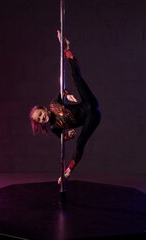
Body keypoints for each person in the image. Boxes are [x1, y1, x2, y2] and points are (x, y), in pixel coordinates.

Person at [30, 30, 101, 184]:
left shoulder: (54, 104)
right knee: (80, 143)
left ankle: (67, 48)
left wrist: (67, 95)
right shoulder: (55, 127)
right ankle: (69, 171)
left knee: (77, 79)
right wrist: (69, 134)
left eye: (40, 114)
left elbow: (62, 91)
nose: (42, 118)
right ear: (41, 123)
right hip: (92, 118)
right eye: (40, 119)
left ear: (44, 108)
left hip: (88, 104)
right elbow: (65, 138)